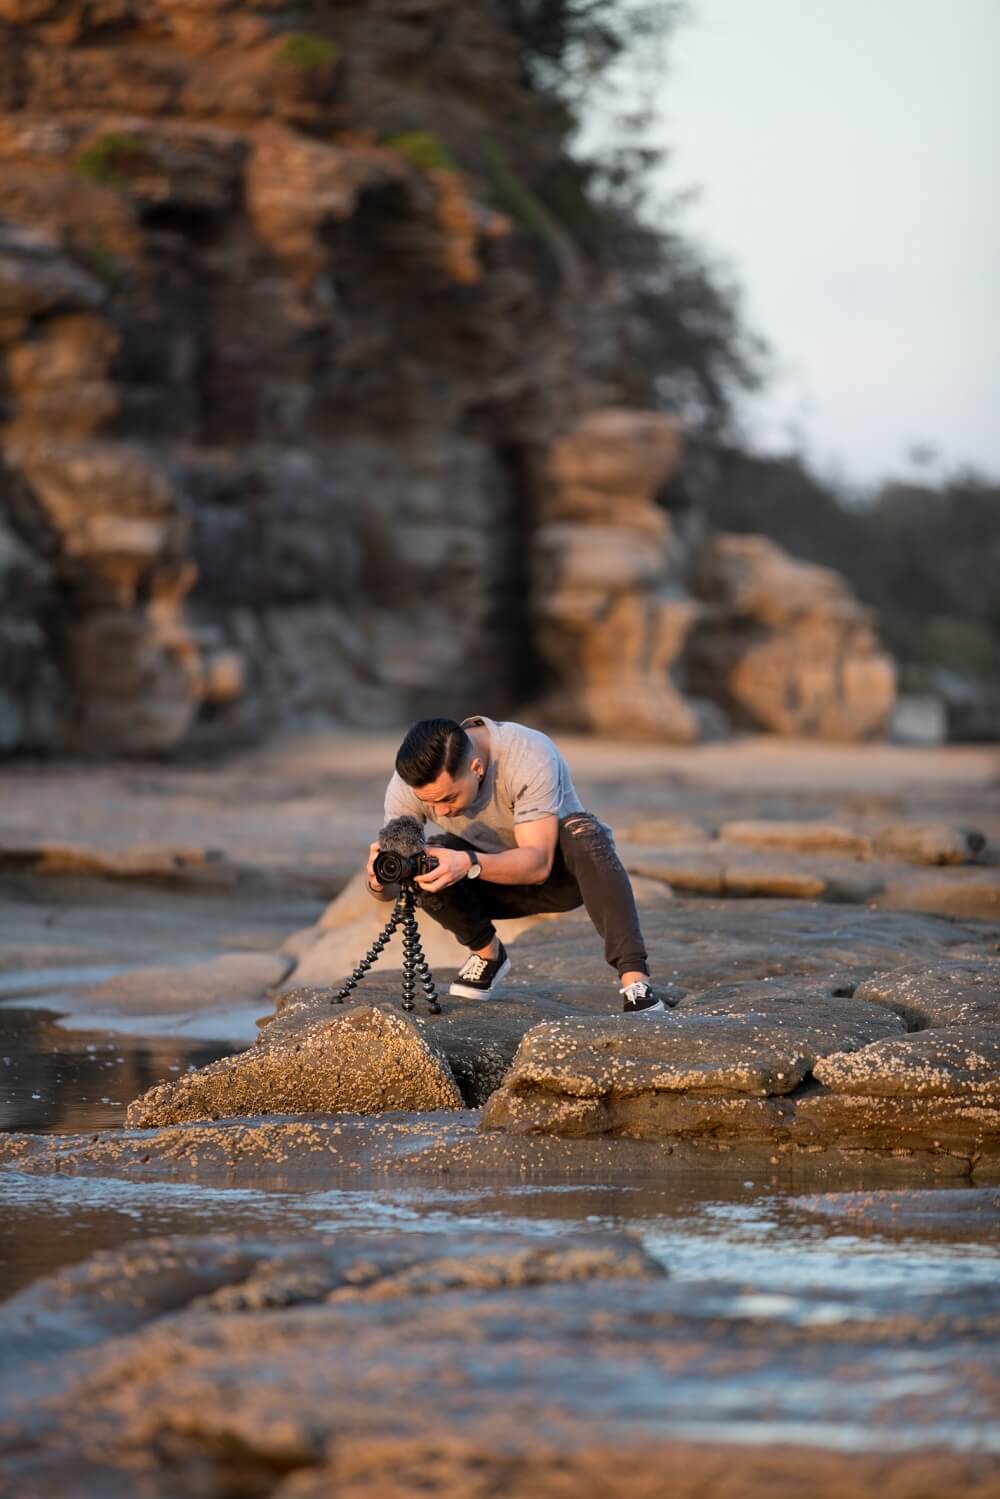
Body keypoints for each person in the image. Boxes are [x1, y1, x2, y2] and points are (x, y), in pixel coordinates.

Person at [365, 715, 680, 1014]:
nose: (440, 812)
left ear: (475, 768)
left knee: (584, 833)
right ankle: (488, 955)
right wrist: (379, 881)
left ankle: (635, 983)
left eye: (448, 798)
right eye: (430, 802)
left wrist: (467, 862)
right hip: (491, 889)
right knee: (426, 859)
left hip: (563, 879)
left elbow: (538, 863)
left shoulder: (527, 753)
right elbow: (394, 887)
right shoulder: (410, 785)